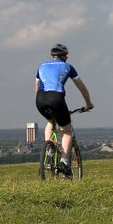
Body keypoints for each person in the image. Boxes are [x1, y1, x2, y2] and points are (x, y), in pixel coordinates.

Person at [35, 44, 93, 177]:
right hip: (56, 98)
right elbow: (82, 88)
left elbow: (36, 87)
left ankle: (49, 152)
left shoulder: (41, 66)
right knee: (66, 131)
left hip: (40, 99)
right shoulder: (68, 67)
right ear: (64, 56)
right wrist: (88, 104)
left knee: (50, 121)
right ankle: (65, 162)